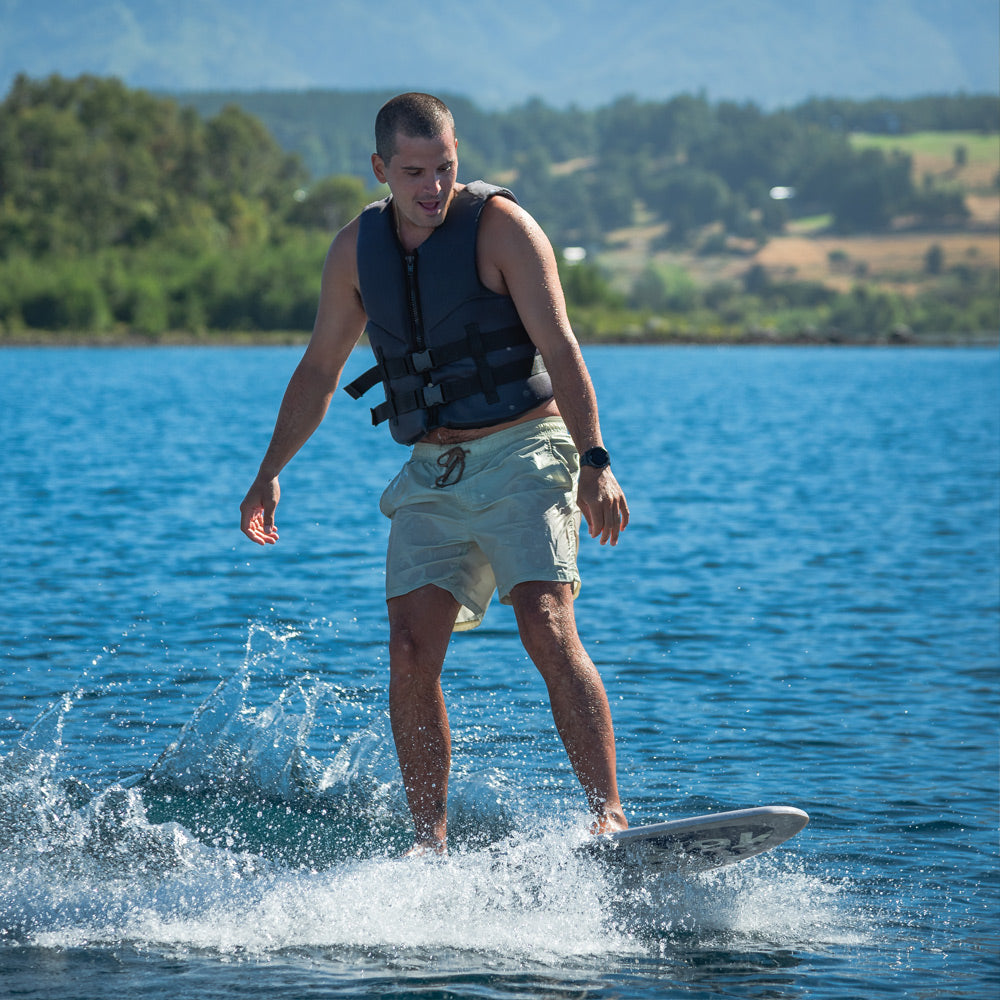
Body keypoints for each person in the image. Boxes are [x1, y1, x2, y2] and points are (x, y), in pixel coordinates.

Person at [240, 92, 629, 855]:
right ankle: (430, 844)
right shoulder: (357, 250)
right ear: (381, 168)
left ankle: (608, 816)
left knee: (545, 626)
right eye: (414, 171)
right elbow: (320, 368)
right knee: (410, 647)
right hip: (434, 468)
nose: (432, 187)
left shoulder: (501, 229)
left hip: (526, 449)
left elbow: (562, 348)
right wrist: (269, 472)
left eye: (445, 168)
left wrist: (595, 462)